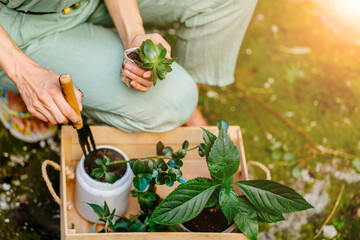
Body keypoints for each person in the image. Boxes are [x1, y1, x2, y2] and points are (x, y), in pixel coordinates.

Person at [0, 0, 257, 142]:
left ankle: (191, 102)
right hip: (19, 24)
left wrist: (133, 34)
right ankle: (13, 85)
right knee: (176, 101)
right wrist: (23, 73)